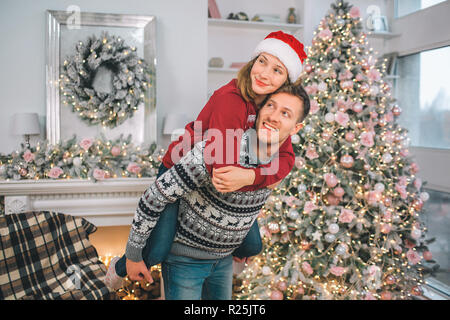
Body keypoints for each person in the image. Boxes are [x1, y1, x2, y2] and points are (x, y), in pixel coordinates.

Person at [105, 30, 307, 288]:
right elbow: (223, 170)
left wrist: (255, 175)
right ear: (253, 61)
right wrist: (264, 177)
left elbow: (287, 158)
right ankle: (120, 265)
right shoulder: (230, 100)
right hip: (180, 168)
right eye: (262, 61)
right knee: (158, 249)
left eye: (277, 70)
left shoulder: (270, 108)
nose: (265, 73)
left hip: (211, 176)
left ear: (286, 83)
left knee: (253, 244)